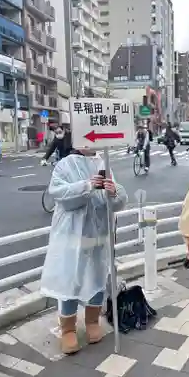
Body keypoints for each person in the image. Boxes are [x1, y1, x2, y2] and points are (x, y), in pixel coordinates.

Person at [40, 147, 127, 354]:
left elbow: (117, 200)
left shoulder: (102, 163)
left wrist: (113, 191)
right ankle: (68, 329)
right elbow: (59, 194)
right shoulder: (64, 165)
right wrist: (87, 186)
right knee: (70, 279)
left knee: (97, 277)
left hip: (98, 235)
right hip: (71, 235)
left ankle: (92, 321)